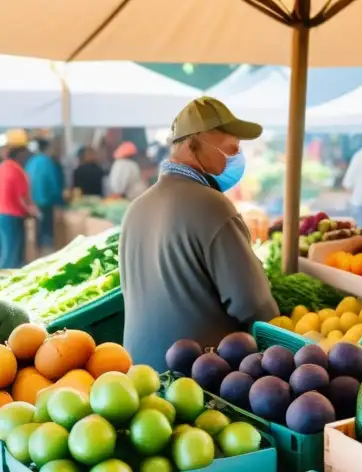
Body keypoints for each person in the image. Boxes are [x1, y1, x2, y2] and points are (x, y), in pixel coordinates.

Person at [119, 96, 278, 370]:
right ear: (193, 146)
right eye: (231, 150)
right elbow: (255, 305)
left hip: (138, 376)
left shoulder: (136, 208)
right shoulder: (212, 205)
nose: (237, 159)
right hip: (199, 382)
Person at [0, 129, 38, 270]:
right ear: (20, 154)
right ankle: (2, 281)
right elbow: (21, 198)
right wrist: (30, 213)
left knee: (6, 249)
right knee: (12, 254)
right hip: (12, 215)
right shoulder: (17, 170)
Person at [25, 137, 64, 249]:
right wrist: (59, 199)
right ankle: (47, 253)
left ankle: (37, 252)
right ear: (47, 148)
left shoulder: (31, 161)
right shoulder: (47, 162)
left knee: (37, 229)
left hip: (33, 201)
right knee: (47, 230)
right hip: (46, 201)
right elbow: (53, 182)